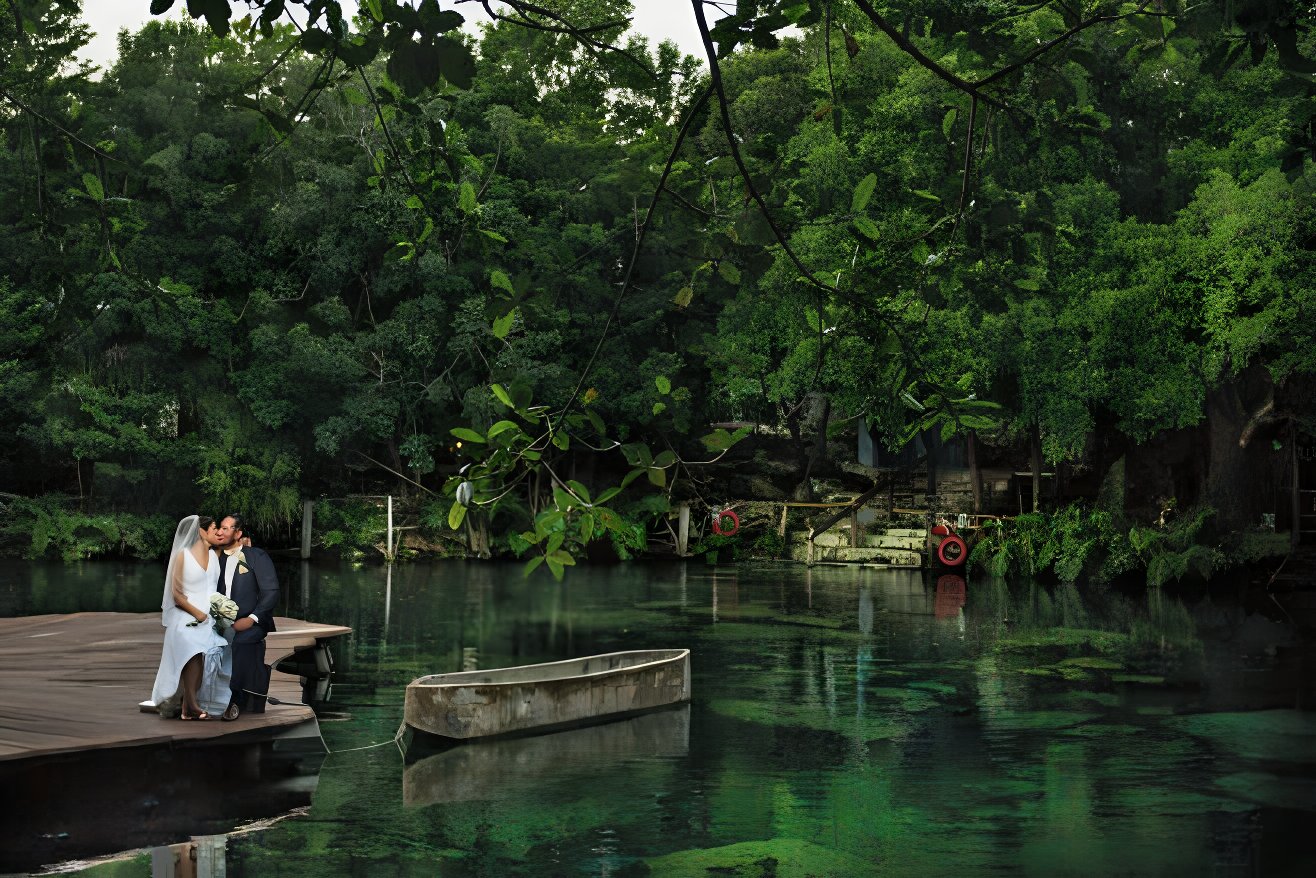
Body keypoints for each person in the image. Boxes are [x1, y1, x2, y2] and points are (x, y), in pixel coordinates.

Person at [148, 515, 232, 720]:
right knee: (194, 651)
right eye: (213, 529)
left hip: (209, 618)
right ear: (201, 531)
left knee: (203, 658)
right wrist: (198, 614)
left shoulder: (214, 555)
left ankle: (187, 706)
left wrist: (218, 612)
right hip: (186, 616)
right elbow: (176, 594)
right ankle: (192, 704)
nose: (217, 532)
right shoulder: (182, 556)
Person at [213, 514, 279, 722]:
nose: (220, 532)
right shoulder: (213, 558)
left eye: (226, 528)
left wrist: (251, 618)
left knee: (240, 644)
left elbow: (271, 592)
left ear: (238, 533)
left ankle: (233, 700)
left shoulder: (256, 556)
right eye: (219, 528)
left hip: (252, 621)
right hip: (219, 621)